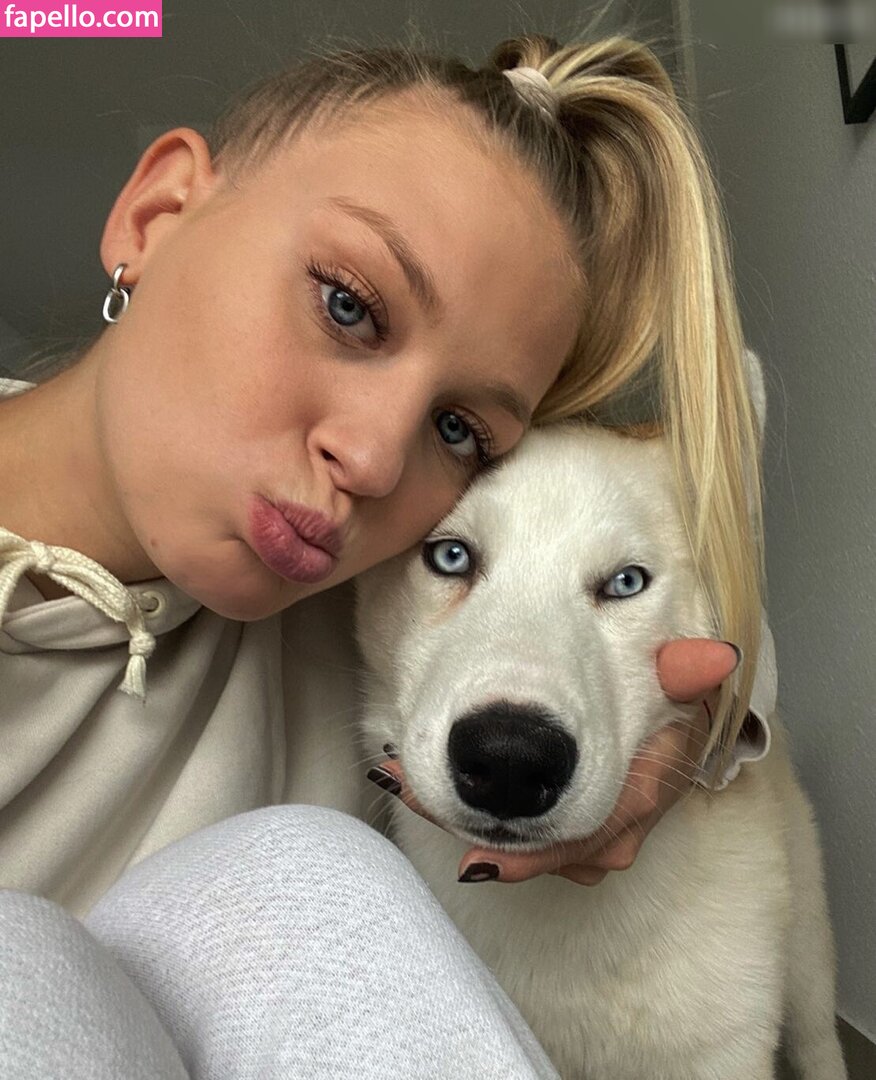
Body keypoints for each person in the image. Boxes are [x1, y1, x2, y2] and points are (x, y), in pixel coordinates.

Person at [0, 31, 775, 1078]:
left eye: (459, 429)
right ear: (155, 215)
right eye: (348, 306)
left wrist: (674, 726)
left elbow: (635, 562)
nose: (372, 459)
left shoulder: (351, 588)